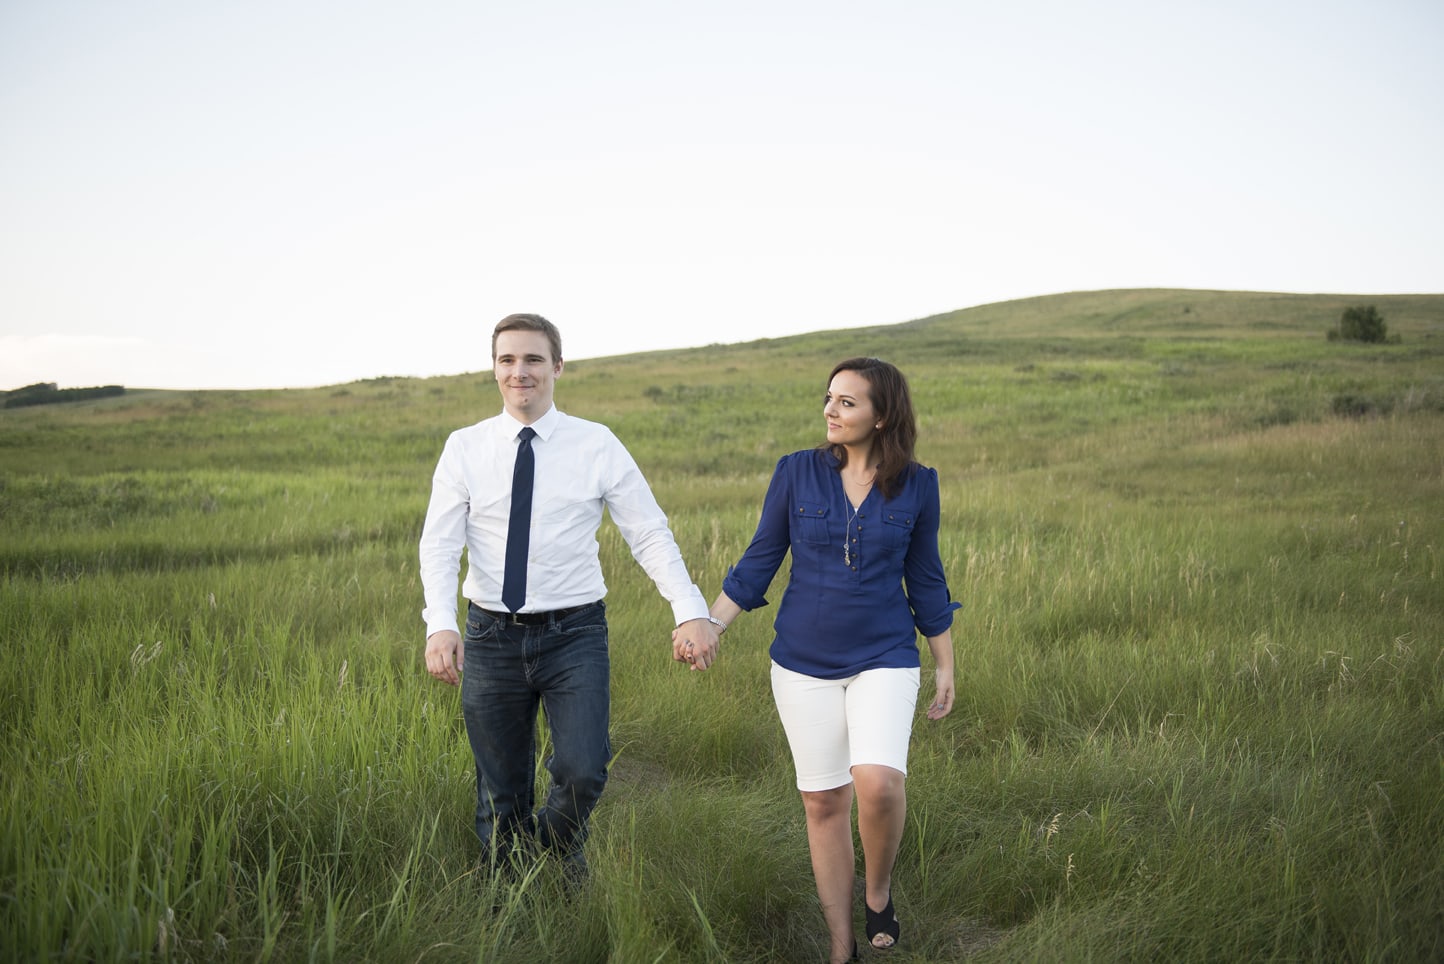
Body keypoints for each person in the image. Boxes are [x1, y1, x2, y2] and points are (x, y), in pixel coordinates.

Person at [420, 313, 721, 879]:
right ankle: (506, 894)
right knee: (500, 787)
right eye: (507, 360)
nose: (520, 372)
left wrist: (690, 610)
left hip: (575, 633)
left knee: (584, 770)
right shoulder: (464, 448)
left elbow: (648, 531)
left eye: (533, 359)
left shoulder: (596, 444)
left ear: (557, 366)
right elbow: (438, 545)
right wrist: (441, 623)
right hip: (491, 634)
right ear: (494, 369)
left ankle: (557, 853)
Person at [678, 356, 956, 963]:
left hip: (884, 653)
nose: (831, 410)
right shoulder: (796, 473)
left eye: (848, 402)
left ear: (882, 416)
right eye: (829, 398)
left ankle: (877, 890)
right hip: (800, 662)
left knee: (878, 783)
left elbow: (926, 579)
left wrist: (944, 663)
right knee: (824, 800)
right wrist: (712, 626)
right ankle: (841, 946)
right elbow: (759, 561)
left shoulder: (919, 484)